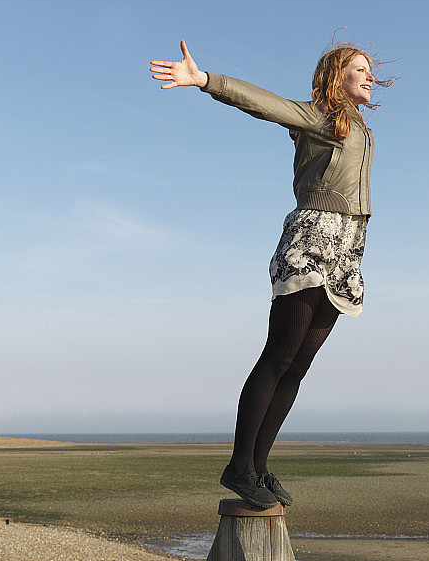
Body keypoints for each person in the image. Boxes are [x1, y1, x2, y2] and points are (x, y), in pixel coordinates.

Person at [149, 39, 392, 508]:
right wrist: (204, 81)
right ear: (335, 75)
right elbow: (264, 104)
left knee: (298, 367)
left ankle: (257, 469)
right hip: (312, 241)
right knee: (278, 355)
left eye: (370, 70)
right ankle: (239, 466)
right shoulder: (319, 118)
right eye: (358, 69)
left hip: (348, 252)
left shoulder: (361, 128)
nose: (369, 75)